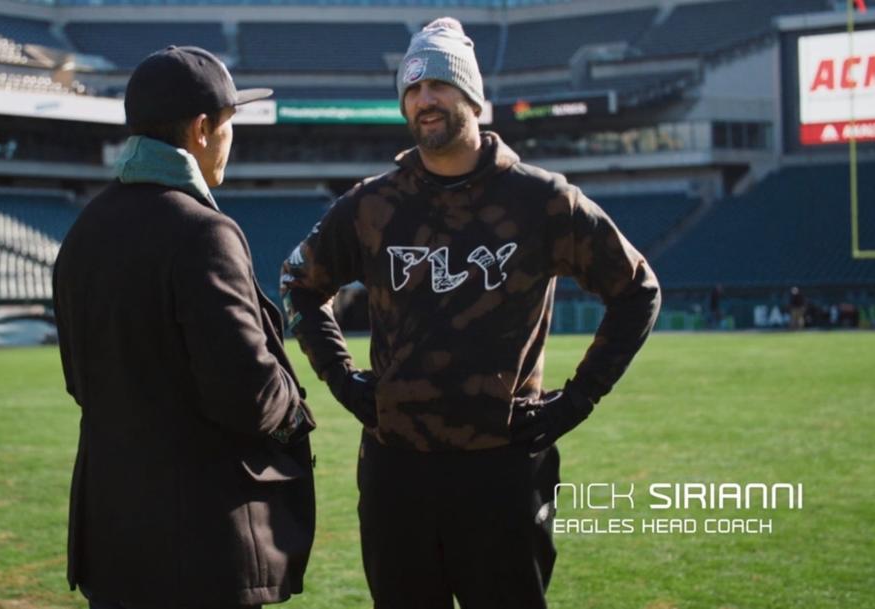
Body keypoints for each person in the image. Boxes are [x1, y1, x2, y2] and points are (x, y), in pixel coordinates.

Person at [280, 18, 661, 609]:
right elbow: (298, 284)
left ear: (472, 97)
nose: (424, 99)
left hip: (503, 469)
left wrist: (582, 395)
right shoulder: (371, 205)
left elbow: (637, 289)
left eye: (438, 84)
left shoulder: (542, 200)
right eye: (412, 88)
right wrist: (341, 378)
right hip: (397, 469)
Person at [53, 46, 315, 609]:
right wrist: (294, 402)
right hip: (202, 548)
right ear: (201, 129)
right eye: (228, 124)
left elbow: (79, 381)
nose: (230, 138)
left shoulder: (85, 231)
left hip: (114, 539)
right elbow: (249, 395)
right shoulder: (203, 232)